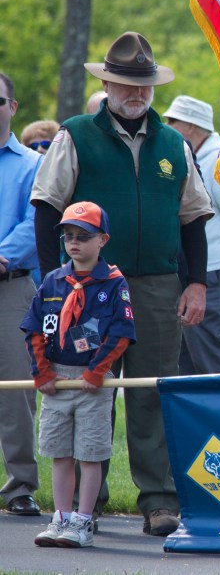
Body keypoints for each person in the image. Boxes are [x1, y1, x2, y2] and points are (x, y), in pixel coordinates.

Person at [31, 31, 214, 536]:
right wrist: (58, 281)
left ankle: (157, 499)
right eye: (126, 84)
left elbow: (194, 219)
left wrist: (195, 283)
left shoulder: (174, 144)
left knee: (151, 389)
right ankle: (90, 502)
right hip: (89, 287)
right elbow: (47, 208)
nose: (136, 94)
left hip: (157, 283)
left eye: (144, 85)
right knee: (90, 390)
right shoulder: (75, 135)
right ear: (107, 84)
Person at [22, 202, 135, 549]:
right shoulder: (53, 281)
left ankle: (84, 519)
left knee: (89, 453)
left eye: (83, 237)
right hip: (56, 380)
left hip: (93, 381)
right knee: (59, 453)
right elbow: (35, 329)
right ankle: (60, 516)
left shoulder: (114, 284)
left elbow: (121, 332)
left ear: (102, 240)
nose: (74, 243)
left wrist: (97, 371)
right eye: (68, 236)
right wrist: (42, 373)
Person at [163, 95, 220, 375]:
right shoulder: (197, 158)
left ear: (191, 127)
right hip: (194, 269)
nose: (168, 126)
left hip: (214, 269)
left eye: (173, 121)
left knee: (209, 350)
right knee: (187, 353)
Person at [0, 71, 42, 517]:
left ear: (13, 107)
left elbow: (36, 224)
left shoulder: (33, 164)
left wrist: (0, 257)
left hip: (10, 286)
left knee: (15, 390)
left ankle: (19, 487)